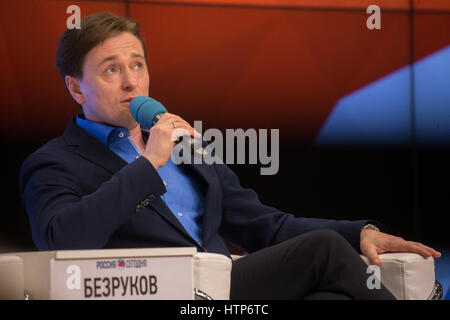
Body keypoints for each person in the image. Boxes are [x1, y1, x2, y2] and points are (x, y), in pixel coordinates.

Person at [19, 12, 440, 300]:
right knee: (321, 251)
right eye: (111, 70)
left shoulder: (184, 145)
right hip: (170, 292)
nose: (132, 82)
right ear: (76, 89)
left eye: (138, 65)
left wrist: (359, 233)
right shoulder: (54, 163)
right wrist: (149, 165)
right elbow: (63, 240)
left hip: (231, 291)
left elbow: (265, 226)